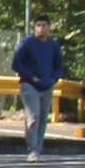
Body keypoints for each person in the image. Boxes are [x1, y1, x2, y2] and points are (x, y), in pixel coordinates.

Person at [12, 15, 67, 160]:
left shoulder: (53, 45)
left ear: (49, 27)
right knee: (33, 115)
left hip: (47, 85)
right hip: (29, 84)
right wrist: (31, 77)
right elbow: (16, 64)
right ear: (34, 27)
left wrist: (53, 78)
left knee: (43, 118)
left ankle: (39, 148)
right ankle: (32, 149)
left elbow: (59, 65)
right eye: (38, 25)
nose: (41, 28)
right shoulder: (27, 43)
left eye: (44, 25)